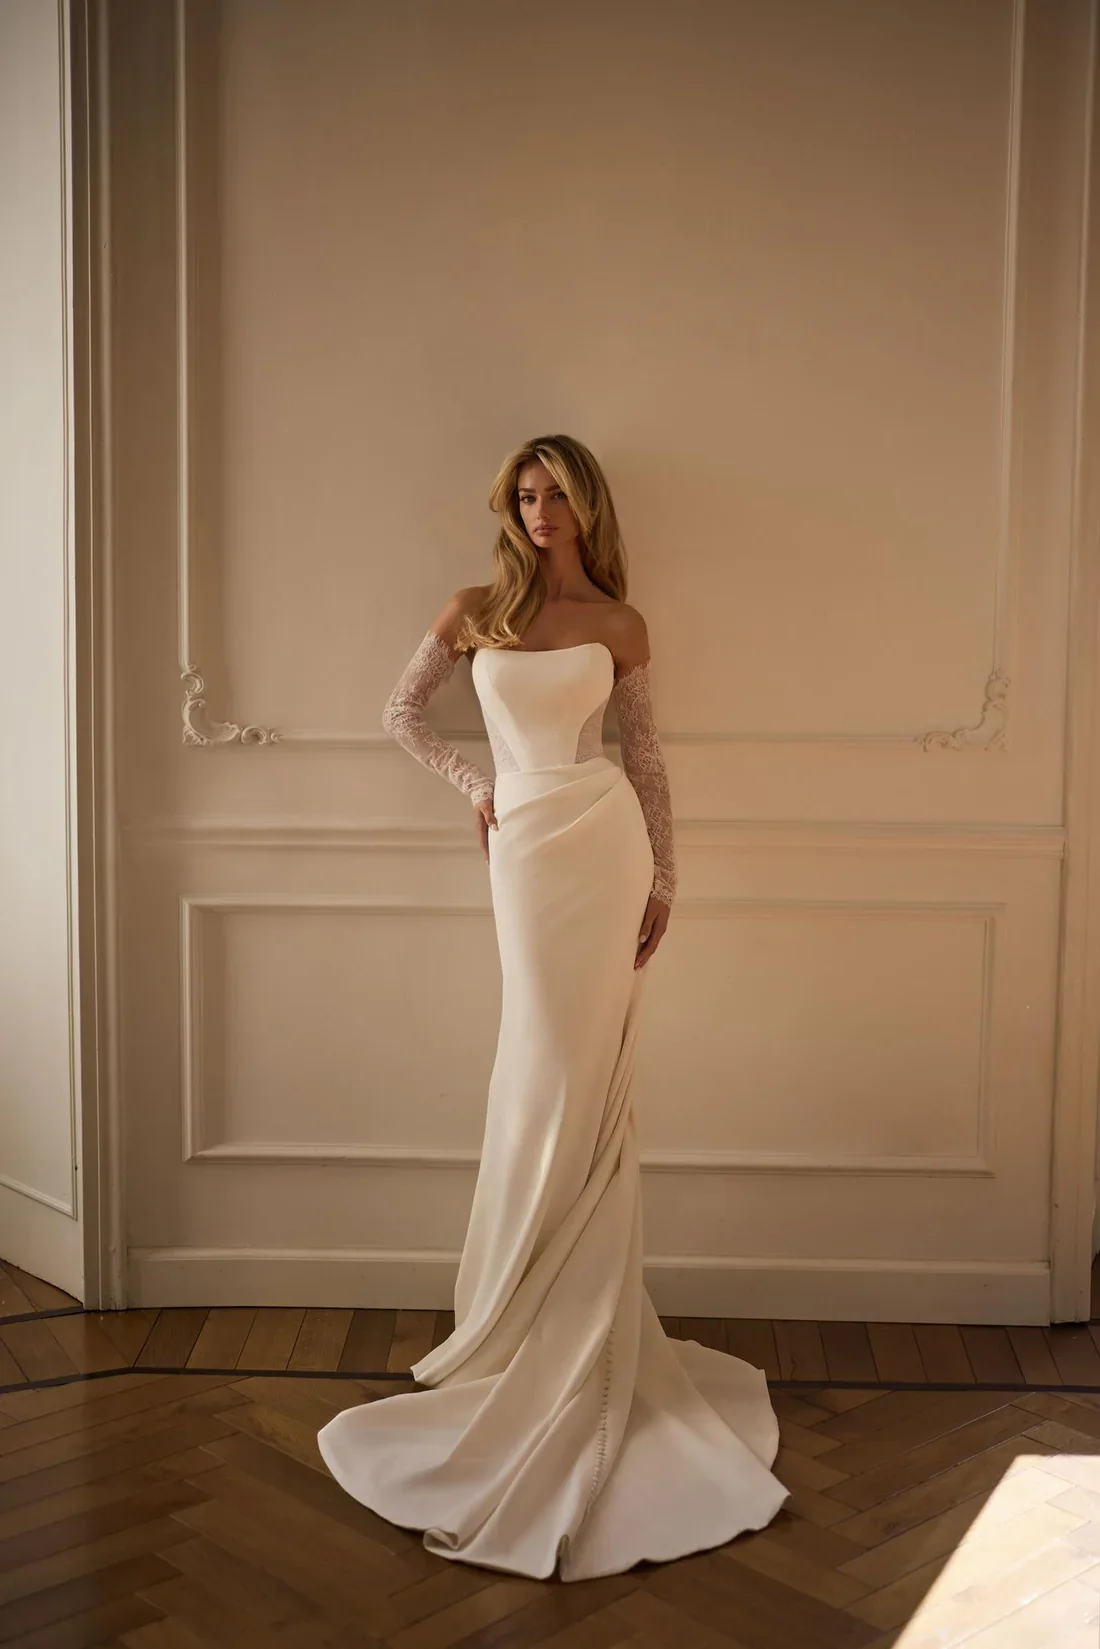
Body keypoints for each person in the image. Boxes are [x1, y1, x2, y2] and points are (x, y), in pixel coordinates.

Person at [317, 434, 789, 1581]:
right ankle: (517, 1318)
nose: (539, 510)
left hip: (601, 836)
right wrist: (481, 786)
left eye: (556, 493)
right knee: (538, 1069)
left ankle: (579, 1321)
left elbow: (647, 758)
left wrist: (666, 879)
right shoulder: (472, 605)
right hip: (524, 843)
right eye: (524, 494)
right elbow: (397, 712)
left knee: (587, 1073)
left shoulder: (620, 622)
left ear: (586, 505)